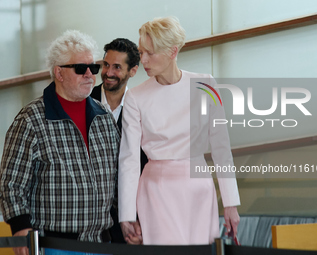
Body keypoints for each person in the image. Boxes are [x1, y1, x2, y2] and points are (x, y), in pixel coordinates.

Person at [118, 16, 241, 245]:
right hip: (156, 191)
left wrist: (231, 204)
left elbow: (221, 148)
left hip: (199, 190)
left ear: (172, 52)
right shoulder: (135, 96)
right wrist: (126, 215)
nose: (142, 60)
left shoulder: (206, 85)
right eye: (141, 51)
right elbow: (129, 159)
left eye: (150, 53)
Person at [0, 30, 120, 255]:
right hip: (53, 247)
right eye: (80, 68)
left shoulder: (105, 117)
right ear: (59, 73)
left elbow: (119, 178)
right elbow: (11, 183)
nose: (89, 75)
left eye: (93, 68)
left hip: (101, 244)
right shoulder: (31, 120)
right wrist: (20, 227)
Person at [90, 38, 148, 243]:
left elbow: (144, 165)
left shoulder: (143, 107)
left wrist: (139, 217)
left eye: (117, 67)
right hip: (91, 216)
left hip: (130, 214)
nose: (108, 72)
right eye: (106, 65)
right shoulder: (84, 101)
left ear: (133, 70)